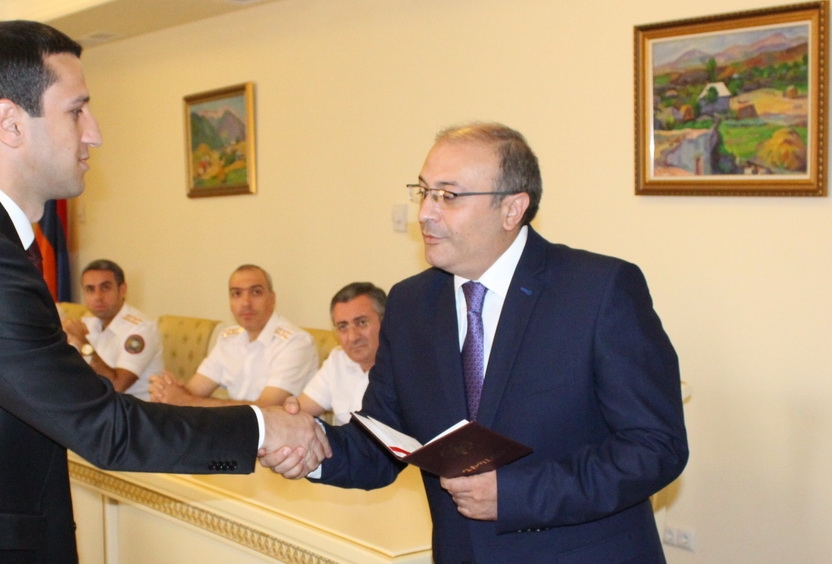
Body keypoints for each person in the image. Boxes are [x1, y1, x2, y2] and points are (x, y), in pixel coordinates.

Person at [0, 21, 327, 563]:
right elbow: (105, 428)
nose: (94, 133)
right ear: (10, 123)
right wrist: (260, 426)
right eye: (76, 111)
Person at [263, 123, 689, 563]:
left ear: (512, 209)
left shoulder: (598, 290)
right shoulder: (410, 305)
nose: (425, 213)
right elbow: (381, 444)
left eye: (448, 196)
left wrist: (518, 494)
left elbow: (655, 446)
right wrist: (311, 446)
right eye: (424, 192)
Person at [150, 264, 318, 408]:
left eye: (256, 292)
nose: (245, 303)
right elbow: (193, 391)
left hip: (279, 434)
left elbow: (265, 409)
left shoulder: (295, 343)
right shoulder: (228, 339)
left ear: (272, 299)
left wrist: (185, 400)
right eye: (237, 294)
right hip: (233, 430)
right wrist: (169, 390)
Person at [62, 259, 163, 400]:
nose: (98, 297)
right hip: (95, 404)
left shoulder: (141, 329)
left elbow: (116, 386)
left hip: (132, 409)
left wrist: (84, 344)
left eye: (105, 288)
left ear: (122, 290)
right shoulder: (89, 321)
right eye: (90, 289)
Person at [297, 282, 386, 425]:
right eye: (343, 326)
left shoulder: (406, 365)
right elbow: (299, 412)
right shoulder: (338, 359)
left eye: (362, 322)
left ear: (385, 321)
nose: (353, 337)